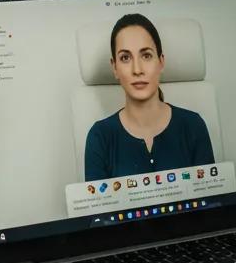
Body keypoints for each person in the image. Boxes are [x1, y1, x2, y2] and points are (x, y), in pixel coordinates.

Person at [84, 13, 214, 181]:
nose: (137, 69)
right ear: (114, 67)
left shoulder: (193, 126)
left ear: (161, 62)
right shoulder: (99, 137)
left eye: (146, 55)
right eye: (125, 58)